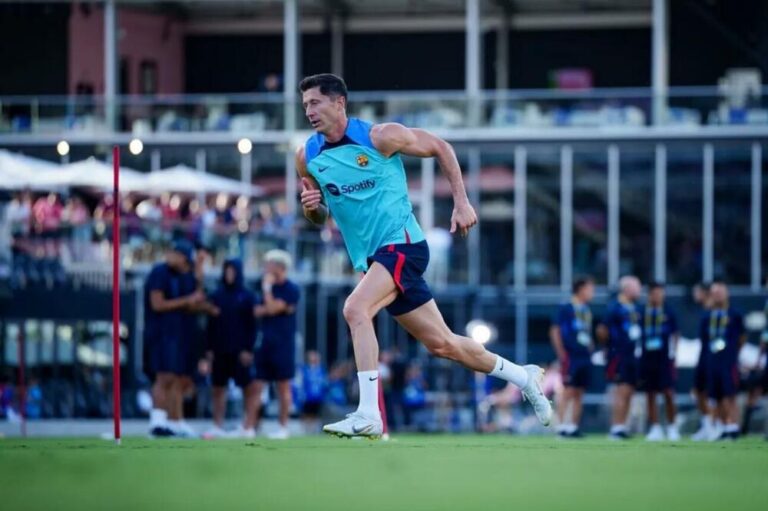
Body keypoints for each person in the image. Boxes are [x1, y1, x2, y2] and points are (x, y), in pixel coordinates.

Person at [296, 73, 551, 438]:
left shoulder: (380, 136)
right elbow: (319, 216)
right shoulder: (307, 156)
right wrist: (312, 208)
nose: (309, 111)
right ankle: (524, 377)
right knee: (443, 344)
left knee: (355, 309)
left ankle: (368, 414)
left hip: (403, 245)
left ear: (339, 103)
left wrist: (461, 202)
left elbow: (440, 146)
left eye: (315, 102)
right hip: (374, 260)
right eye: (305, 104)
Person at [144, 240, 205, 437]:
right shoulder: (160, 272)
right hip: (162, 332)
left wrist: (199, 274)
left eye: (176, 254)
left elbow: (196, 301)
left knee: (179, 378)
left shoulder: (185, 276)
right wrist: (187, 300)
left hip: (181, 333)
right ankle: (157, 421)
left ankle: (175, 421)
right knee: (164, 376)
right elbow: (157, 304)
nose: (170, 256)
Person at [205, 258, 257, 438]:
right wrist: (209, 348)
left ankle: (248, 426)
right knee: (218, 388)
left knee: (247, 388)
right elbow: (210, 324)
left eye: (232, 271)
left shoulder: (247, 296)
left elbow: (252, 325)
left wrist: (248, 349)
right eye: (227, 270)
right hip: (220, 349)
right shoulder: (216, 295)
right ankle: (217, 425)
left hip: (240, 350)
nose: (229, 274)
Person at [251, 249, 300, 439]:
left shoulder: (291, 289)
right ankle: (250, 427)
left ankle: (283, 427)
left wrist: (267, 291)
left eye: (269, 264)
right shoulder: (262, 285)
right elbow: (257, 311)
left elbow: (270, 309)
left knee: (283, 387)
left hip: (283, 345)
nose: (265, 268)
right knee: (257, 386)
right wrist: (270, 306)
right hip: (265, 343)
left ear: (280, 267)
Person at [699, 281, 746, 440]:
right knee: (715, 395)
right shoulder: (707, 315)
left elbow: (742, 338)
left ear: (727, 294)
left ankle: (733, 425)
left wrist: (733, 354)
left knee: (729, 393)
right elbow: (704, 340)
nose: (718, 296)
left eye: (720, 292)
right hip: (712, 360)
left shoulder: (734, 314)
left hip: (728, 361)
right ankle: (722, 425)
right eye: (715, 293)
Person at [550, 276, 595, 438]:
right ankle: (561, 426)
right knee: (568, 390)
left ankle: (573, 426)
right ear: (581, 289)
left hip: (584, 356)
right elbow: (555, 330)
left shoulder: (586, 310)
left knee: (580, 392)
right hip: (571, 355)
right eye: (590, 289)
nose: (592, 293)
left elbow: (585, 332)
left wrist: (590, 346)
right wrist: (561, 353)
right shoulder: (566, 308)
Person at [599, 275, 642, 440]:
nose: (639, 290)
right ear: (627, 289)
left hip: (633, 355)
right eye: (637, 287)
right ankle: (616, 426)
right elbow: (602, 329)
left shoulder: (635, 308)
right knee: (621, 390)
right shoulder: (615, 307)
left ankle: (622, 425)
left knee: (630, 390)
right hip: (619, 355)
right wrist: (610, 347)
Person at [638, 282, 680, 441]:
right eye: (655, 293)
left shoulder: (669, 311)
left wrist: (674, 354)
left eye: (660, 293)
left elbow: (676, 334)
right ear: (649, 295)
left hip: (664, 358)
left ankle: (672, 427)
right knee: (650, 393)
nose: (658, 296)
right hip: (647, 357)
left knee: (668, 392)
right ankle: (655, 427)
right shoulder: (642, 311)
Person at [690, 281, 714, 441]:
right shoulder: (705, 311)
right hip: (704, 356)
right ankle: (707, 425)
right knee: (698, 392)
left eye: (697, 292)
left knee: (716, 393)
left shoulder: (714, 311)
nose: (694, 295)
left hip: (714, 358)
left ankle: (717, 425)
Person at [299, 350, 328, 433]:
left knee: (315, 415)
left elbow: (324, 384)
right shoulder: (305, 369)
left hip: (318, 398)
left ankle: (313, 430)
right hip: (307, 397)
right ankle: (305, 430)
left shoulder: (321, 370)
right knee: (306, 414)